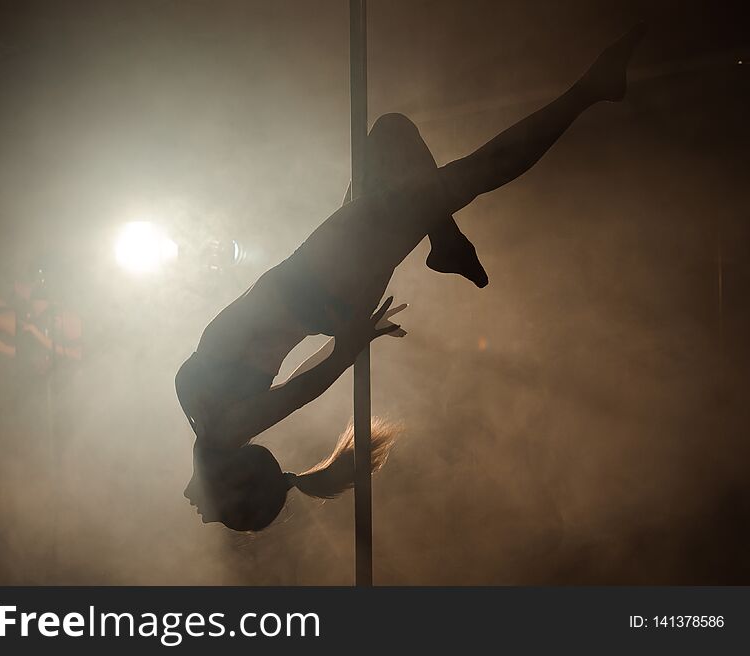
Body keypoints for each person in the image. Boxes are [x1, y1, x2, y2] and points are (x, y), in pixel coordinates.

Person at [177, 25, 646, 531]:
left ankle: (444, 239)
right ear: (234, 485)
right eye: (220, 516)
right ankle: (589, 92)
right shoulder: (224, 430)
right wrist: (349, 346)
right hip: (328, 278)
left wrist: (346, 340)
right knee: (464, 174)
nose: (202, 518)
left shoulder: (211, 424)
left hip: (325, 279)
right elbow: (301, 391)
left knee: (395, 139)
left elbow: (292, 381)